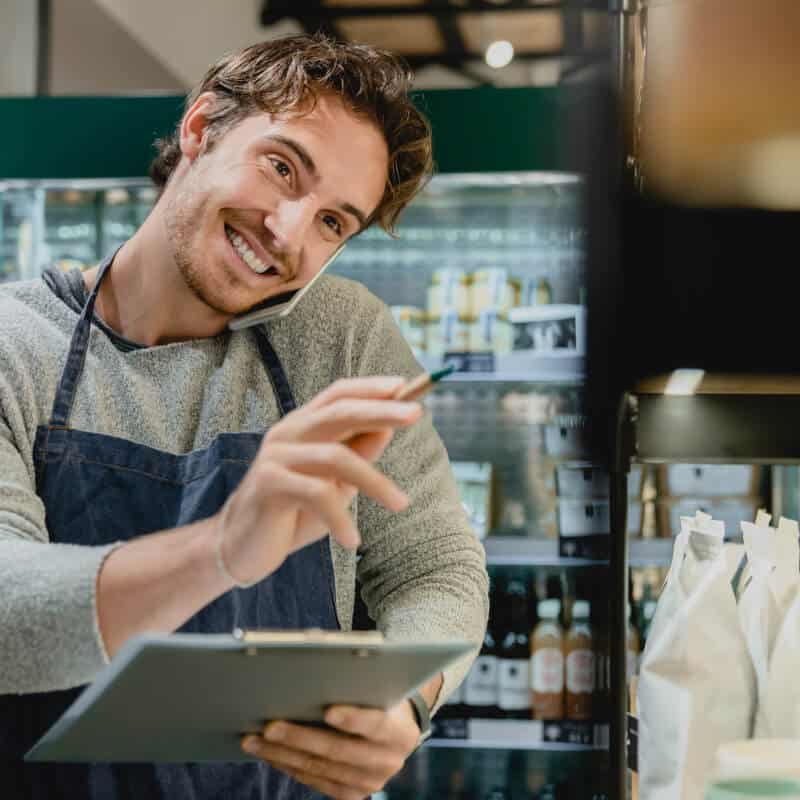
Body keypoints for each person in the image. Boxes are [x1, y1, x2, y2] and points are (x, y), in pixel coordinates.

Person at [0, 34, 488, 800]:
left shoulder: (343, 336)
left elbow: (435, 567)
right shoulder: (13, 343)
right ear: (200, 130)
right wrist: (226, 546)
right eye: (283, 168)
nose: (290, 234)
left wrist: (407, 700)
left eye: (334, 223)